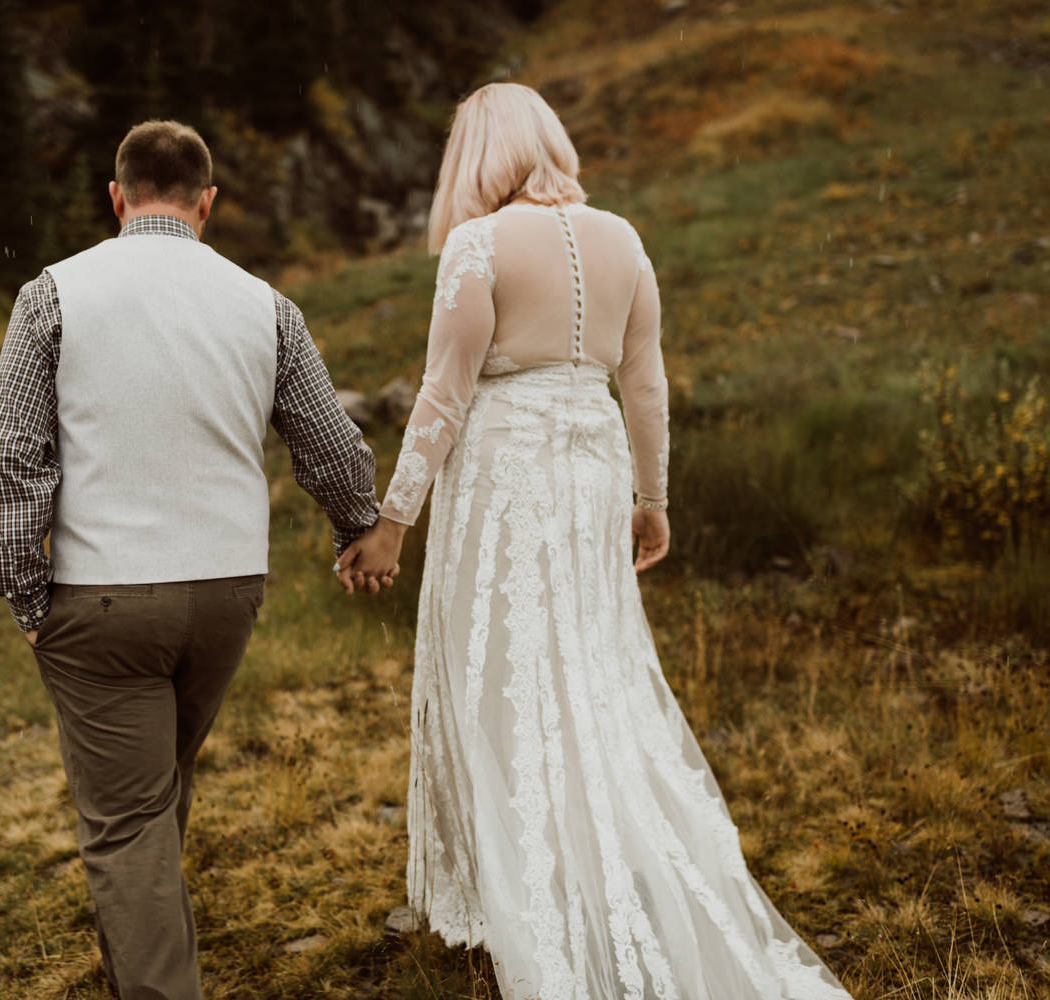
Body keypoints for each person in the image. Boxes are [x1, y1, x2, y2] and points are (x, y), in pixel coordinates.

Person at [338, 84, 853, 998]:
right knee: (587, 668)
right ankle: (593, 868)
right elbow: (645, 387)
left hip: (503, 486)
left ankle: (533, 896)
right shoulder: (623, 239)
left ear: (476, 157)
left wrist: (391, 524)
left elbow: (444, 395)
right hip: (589, 478)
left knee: (501, 677)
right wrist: (652, 498)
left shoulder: (478, 244)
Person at [0, 119, 386, 1000]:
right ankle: (150, 953)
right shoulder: (264, 304)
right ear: (207, 203)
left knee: (126, 822)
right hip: (227, 593)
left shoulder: (54, 294)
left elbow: (12, 461)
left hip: (104, 593)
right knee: (156, 789)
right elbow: (330, 444)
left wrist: (27, 596)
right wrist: (358, 524)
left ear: (116, 198)